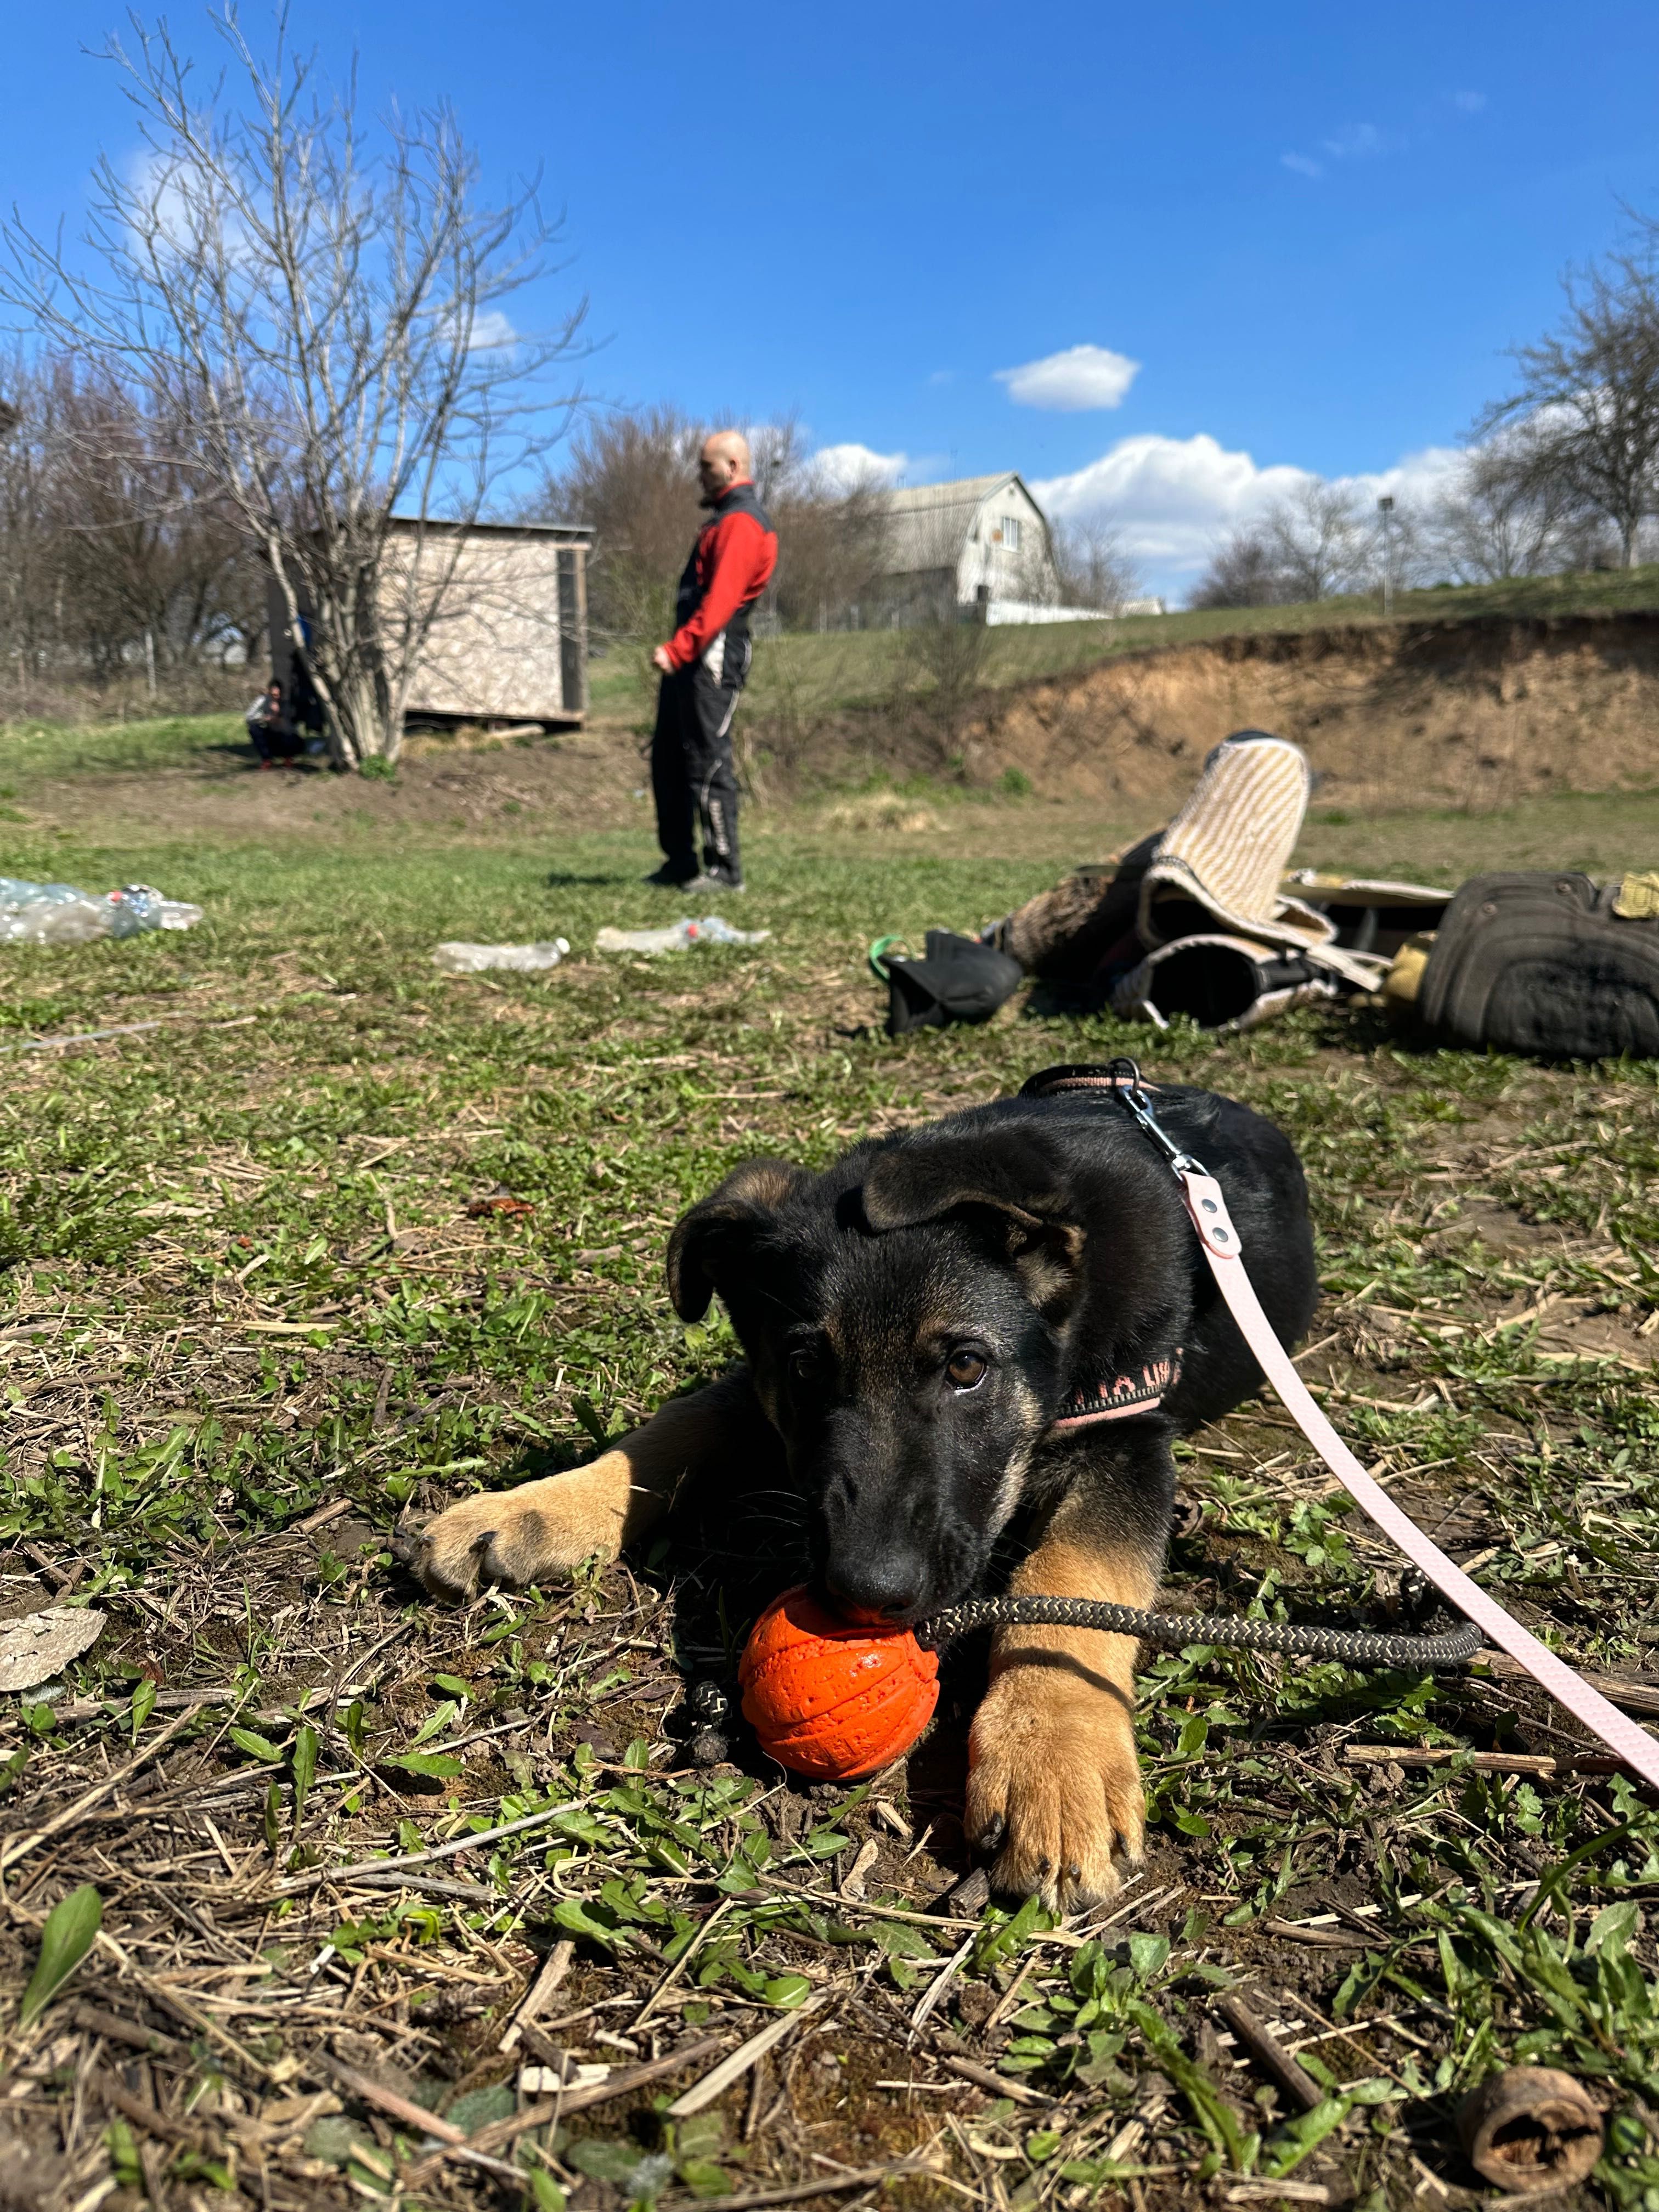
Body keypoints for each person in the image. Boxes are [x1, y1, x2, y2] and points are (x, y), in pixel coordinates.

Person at [645, 430, 777, 891]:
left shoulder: (742, 523)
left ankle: (725, 871)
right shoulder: (721, 521)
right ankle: (680, 862)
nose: (699, 475)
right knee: (669, 759)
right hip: (693, 658)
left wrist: (679, 649)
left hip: (712, 655)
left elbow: (720, 604)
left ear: (734, 468)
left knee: (708, 759)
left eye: (706, 467)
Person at [245, 678, 303, 768]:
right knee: (254, 729)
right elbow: (249, 717)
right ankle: (267, 760)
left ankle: (288, 758)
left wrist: (278, 715)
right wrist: (264, 719)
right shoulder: (263, 701)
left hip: (285, 736)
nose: (277, 697)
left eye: (278, 695)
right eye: (274, 695)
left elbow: (290, 728)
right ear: (269, 693)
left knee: (292, 738)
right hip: (271, 735)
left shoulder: (286, 704)